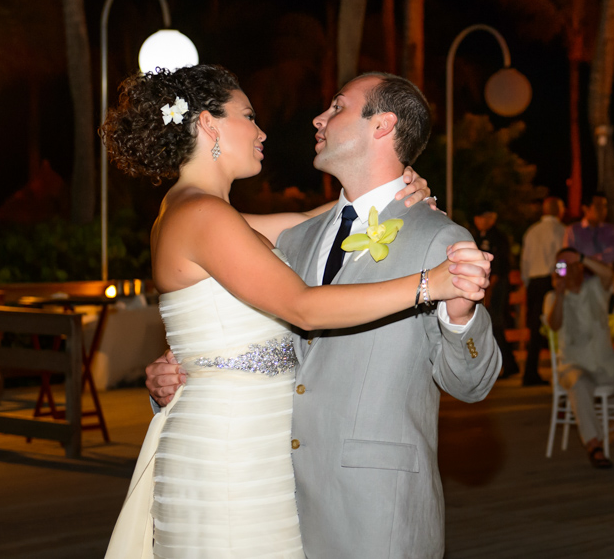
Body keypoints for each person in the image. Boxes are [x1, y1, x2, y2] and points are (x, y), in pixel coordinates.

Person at [140, 69, 501, 558]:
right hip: (267, 483)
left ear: (381, 126)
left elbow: (471, 383)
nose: (317, 117)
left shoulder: (437, 239)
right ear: (208, 126)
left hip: (373, 508)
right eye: (250, 117)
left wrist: (459, 315)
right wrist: (186, 363)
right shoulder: (280, 240)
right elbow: (295, 309)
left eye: (336, 106)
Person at [544, 248, 614, 468]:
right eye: (561, 266)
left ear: (580, 268)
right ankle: (594, 444)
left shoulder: (594, 288)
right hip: (573, 364)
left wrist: (581, 257)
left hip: (607, 364)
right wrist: (559, 294)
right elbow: (554, 324)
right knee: (580, 384)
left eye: (570, 265)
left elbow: (608, 275)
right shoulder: (551, 297)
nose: (566, 271)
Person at [519, 197, 566, 386]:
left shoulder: (532, 231)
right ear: (558, 210)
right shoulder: (561, 230)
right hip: (550, 281)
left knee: (535, 329)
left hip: (534, 282)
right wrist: (562, 278)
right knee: (555, 326)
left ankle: (530, 372)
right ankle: (561, 370)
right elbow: (562, 258)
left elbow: (525, 261)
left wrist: (526, 282)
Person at [474, 207, 520, 378]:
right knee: (490, 325)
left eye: (481, 217)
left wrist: (490, 289)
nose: (478, 221)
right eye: (477, 218)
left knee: (495, 324)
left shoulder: (498, 238)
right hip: (485, 286)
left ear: (491, 218)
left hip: (496, 287)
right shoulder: (479, 236)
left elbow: (498, 267)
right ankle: (506, 364)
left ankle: (507, 364)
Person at [563, 192, 614, 266]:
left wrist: (587, 260)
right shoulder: (573, 230)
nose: (603, 210)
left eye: (605, 206)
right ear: (585, 208)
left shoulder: (610, 230)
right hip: (583, 276)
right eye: (598, 206)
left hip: (604, 275)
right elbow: (569, 256)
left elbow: (613, 254)